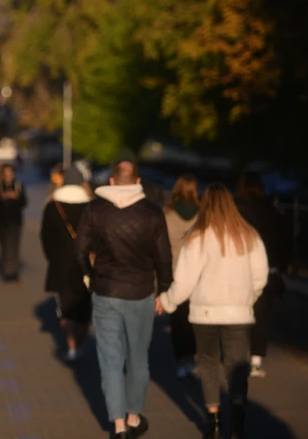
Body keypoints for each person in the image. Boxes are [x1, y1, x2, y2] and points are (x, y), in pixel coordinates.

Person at [156, 184, 268, 439]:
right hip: (239, 312)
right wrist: (248, 298)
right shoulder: (249, 235)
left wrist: (168, 301)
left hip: (204, 312)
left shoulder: (197, 237)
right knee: (237, 365)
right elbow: (260, 276)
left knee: (207, 364)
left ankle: (214, 422)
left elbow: (184, 281)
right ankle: (238, 420)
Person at [77, 158, 171, 439]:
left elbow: (79, 250)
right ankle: (133, 417)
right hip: (141, 292)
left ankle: (117, 426)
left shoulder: (94, 209)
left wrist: (89, 275)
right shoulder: (153, 213)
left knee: (110, 361)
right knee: (138, 358)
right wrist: (164, 289)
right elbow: (164, 257)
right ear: (139, 182)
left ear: (112, 181)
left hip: (105, 291)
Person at [235, 171, 292, 379]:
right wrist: (282, 268)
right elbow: (284, 241)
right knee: (262, 314)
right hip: (268, 267)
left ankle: (237, 354)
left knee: (240, 311)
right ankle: (256, 358)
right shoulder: (271, 208)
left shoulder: (236, 206)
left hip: (240, 265)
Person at [41, 164, 94, 361]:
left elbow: (45, 236)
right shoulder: (91, 206)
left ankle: (71, 345)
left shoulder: (52, 205)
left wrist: (52, 257)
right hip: (85, 263)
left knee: (65, 306)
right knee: (83, 305)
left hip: (60, 263)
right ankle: (80, 342)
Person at [163, 175, 200, 378]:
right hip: (196, 272)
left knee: (177, 320)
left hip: (174, 271)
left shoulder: (167, 214)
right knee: (194, 317)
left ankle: (180, 360)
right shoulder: (202, 215)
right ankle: (192, 356)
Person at [0, 163, 27, 281]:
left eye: (10, 173)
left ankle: (14, 272)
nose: (8, 176)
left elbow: (24, 202)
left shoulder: (19, 186)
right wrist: (2, 197)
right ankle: (7, 270)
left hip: (16, 220)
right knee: (5, 246)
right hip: (1, 221)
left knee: (15, 246)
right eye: (5, 173)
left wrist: (15, 197)